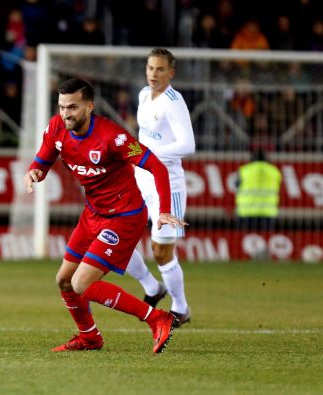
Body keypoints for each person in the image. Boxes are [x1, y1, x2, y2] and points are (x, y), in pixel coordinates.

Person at [24, 78, 187, 353]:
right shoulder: (56, 128)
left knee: (81, 283)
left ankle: (158, 318)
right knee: (64, 280)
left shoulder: (114, 137)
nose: (66, 114)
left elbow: (156, 166)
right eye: (62, 107)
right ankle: (89, 337)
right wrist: (34, 173)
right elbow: (42, 161)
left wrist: (165, 210)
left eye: (73, 107)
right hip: (93, 214)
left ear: (89, 106)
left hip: (125, 216)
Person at [125, 48, 196, 328]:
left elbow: (187, 144)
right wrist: (130, 153)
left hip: (168, 183)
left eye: (160, 69)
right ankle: (152, 286)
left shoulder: (173, 102)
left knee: (161, 251)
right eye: (150, 68)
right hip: (139, 178)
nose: (153, 74)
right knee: (117, 235)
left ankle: (181, 308)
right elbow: (142, 137)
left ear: (171, 73)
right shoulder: (144, 95)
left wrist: (153, 155)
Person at [235, 149, 282, 232]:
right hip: (268, 213)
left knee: (244, 240)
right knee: (265, 239)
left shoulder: (244, 171)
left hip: (246, 212)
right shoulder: (275, 171)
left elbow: (236, 186)